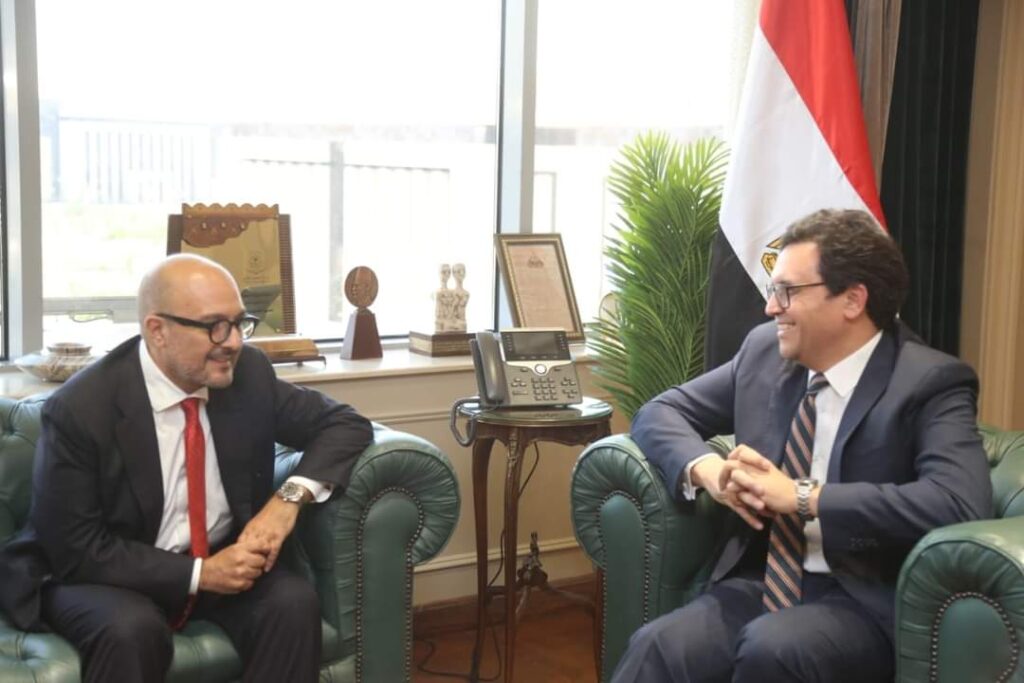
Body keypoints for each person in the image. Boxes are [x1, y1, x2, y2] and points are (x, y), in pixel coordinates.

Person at [613, 209, 992, 682]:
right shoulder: (764, 353)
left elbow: (958, 502)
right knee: (658, 645)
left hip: (861, 596)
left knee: (774, 648)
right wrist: (711, 473)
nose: (771, 308)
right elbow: (660, 412)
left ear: (852, 300)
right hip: (762, 580)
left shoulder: (928, 382)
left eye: (788, 291)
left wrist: (800, 496)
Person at [0, 254, 374, 682]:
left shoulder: (246, 374)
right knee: (131, 629)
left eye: (240, 323)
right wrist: (201, 574)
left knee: (292, 602)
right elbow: (77, 549)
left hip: (218, 554)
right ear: (157, 330)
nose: (233, 341)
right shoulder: (82, 408)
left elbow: (344, 424)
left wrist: (285, 503)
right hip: (103, 574)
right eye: (214, 326)